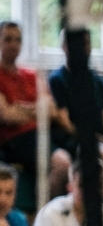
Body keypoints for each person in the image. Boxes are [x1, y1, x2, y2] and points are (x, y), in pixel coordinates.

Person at [0, 22, 72, 203]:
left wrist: (21, 109)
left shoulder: (31, 75)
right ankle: (46, 217)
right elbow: (7, 115)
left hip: (44, 133)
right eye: (7, 39)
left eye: (18, 40)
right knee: (62, 163)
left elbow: (53, 110)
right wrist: (38, 109)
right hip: (15, 140)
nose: (13, 44)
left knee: (86, 155)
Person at [47, 29, 103, 171]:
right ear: (64, 47)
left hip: (101, 140)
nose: (83, 48)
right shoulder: (57, 80)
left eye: (86, 43)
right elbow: (65, 122)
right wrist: (94, 142)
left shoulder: (97, 81)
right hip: (72, 140)